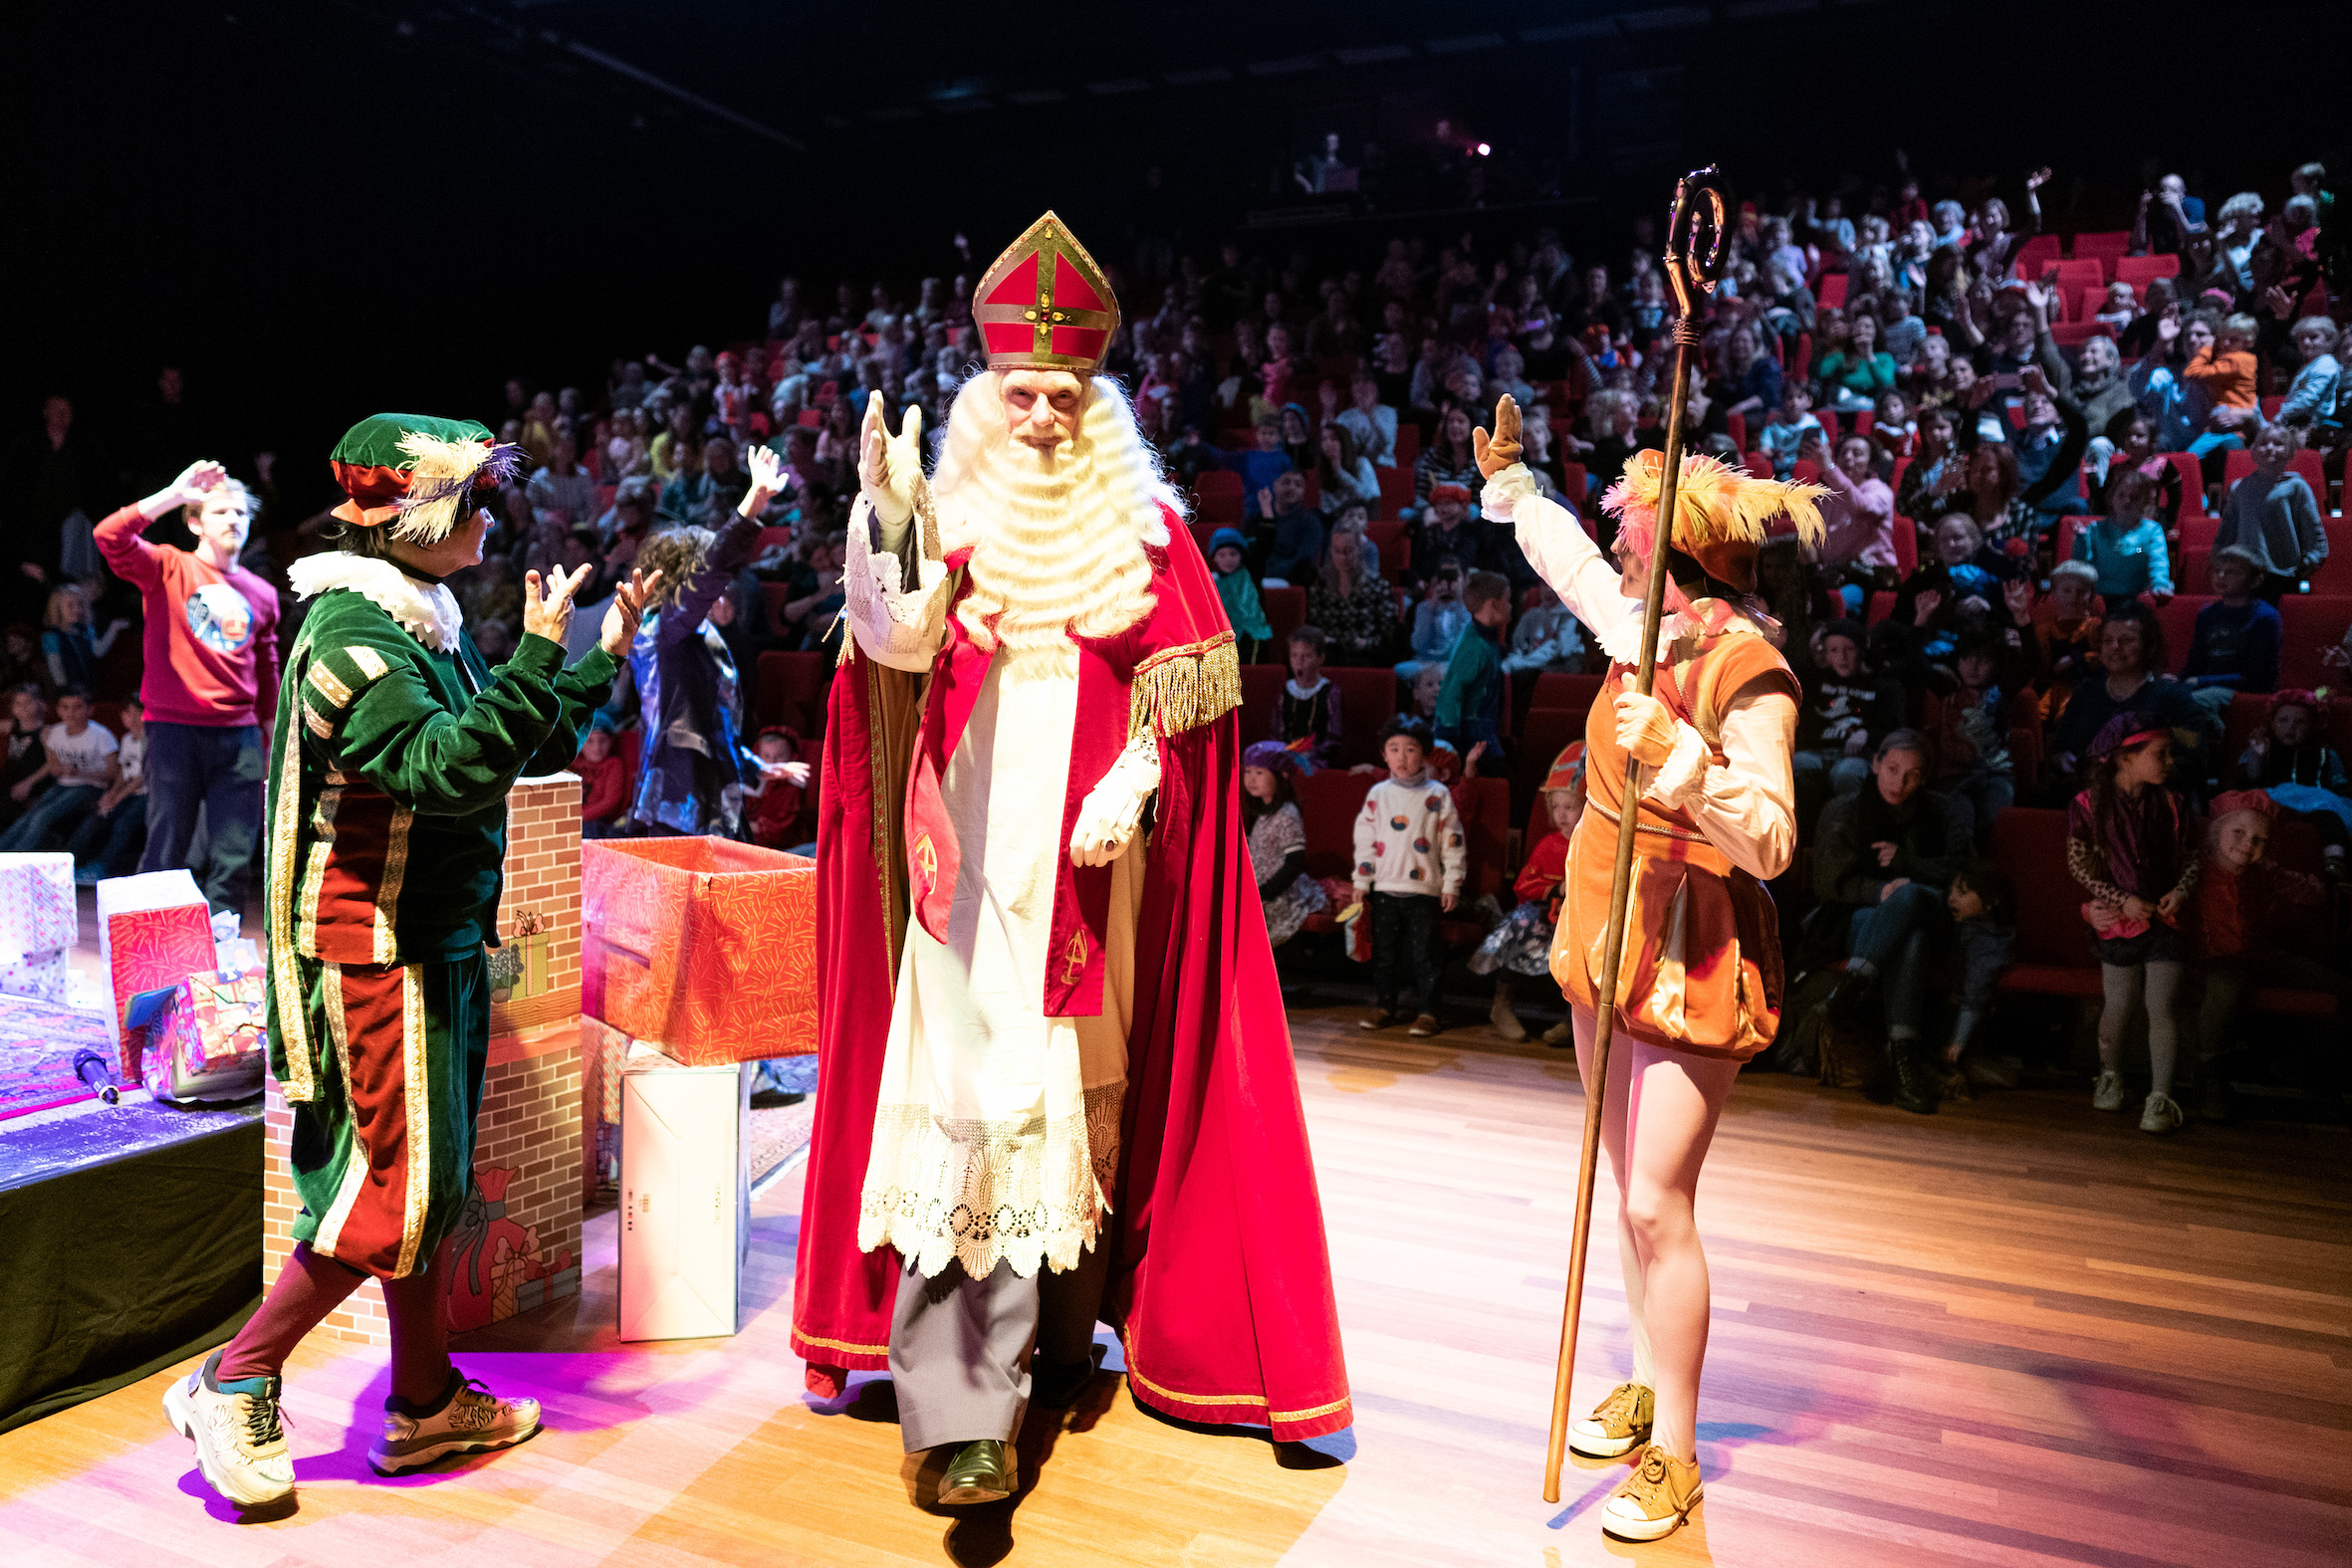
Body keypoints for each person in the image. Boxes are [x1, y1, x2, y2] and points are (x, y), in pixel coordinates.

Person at [798, 215, 1348, 1505]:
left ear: (1095, 395)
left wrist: (1141, 774)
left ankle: (1054, 1340)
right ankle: (958, 1411)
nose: (1041, 412)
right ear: (987, 391)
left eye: (1064, 393)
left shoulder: (1144, 532)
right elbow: (885, 651)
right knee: (972, 1105)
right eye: (1020, 391)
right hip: (967, 870)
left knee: (1079, 1112)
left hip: (1095, 879)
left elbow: (1191, 693)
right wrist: (879, 525)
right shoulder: (951, 517)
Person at [167, 413, 651, 1511]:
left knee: (422, 1186)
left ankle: (426, 1404)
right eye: (472, 505)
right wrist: (536, 657)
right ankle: (234, 1375)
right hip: (374, 952)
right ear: (416, 520)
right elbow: (448, 771)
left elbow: (503, 741)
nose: (489, 522)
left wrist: (594, 656)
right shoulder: (354, 638)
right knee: (394, 1190)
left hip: (427, 942)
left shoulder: (416, 619)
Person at [1479, 398, 1817, 1542]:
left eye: (1635, 538)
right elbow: (1570, 562)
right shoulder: (1635, 625)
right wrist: (1518, 492)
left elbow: (1768, 839)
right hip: (1602, 918)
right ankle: (1642, 1387)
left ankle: (1675, 1452)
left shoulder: (1744, 670)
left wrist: (1679, 761)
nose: (1617, 549)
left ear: (1682, 561)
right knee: (1617, 1190)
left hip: (1689, 935)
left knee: (1652, 1201)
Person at [94, 461, 281, 915]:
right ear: (195, 522)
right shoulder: (167, 567)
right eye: (219, 512)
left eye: (240, 512)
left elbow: (266, 669)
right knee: (166, 848)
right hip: (175, 729)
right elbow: (108, 536)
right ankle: (149, 954)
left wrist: (272, 735)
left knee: (234, 855)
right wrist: (175, 494)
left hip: (238, 736)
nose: (233, 519)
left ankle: (221, 952)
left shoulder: (262, 592)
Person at [626, 446, 788, 835]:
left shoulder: (695, 633)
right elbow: (712, 571)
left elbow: (711, 727)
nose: (723, 585)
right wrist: (752, 503)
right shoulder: (663, 628)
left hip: (708, 789)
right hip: (681, 798)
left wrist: (758, 765)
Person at [1816, 732, 1970, 1114]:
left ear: (1925, 778)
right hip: (1861, 918)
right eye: (1892, 769)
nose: (1899, 783)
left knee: (1911, 895)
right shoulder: (1844, 809)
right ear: (1875, 765)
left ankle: (1854, 986)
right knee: (1910, 936)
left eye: (1912, 775)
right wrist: (1878, 892)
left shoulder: (1943, 811)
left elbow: (1962, 874)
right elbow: (1828, 882)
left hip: (1936, 910)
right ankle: (1906, 1066)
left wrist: (1907, 864)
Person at [2192, 790, 2344, 1123]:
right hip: (2213, 959)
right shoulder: (2197, 869)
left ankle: (2300, 1066)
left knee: (2336, 988)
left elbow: (2312, 894)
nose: (2248, 845)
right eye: (2239, 833)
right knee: (2227, 987)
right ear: (2217, 830)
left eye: (2259, 840)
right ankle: (2209, 1076)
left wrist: (2316, 887)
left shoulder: (2264, 872)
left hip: (2261, 956)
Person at [1352, 716, 1464, 1036]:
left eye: (1411, 749)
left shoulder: (1438, 794)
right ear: (1384, 755)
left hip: (1423, 890)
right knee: (1385, 954)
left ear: (1424, 755)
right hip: (1386, 888)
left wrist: (1451, 884)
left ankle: (1429, 1011)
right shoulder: (1378, 794)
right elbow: (1366, 840)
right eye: (1394, 749)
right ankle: (1385, 1006)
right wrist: (1362, 881)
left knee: (1425, 956)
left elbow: (1452, 841)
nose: (1402, 757)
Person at [1470, 741, 1584, 1044]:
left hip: (1581, 917)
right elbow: (1525, 884)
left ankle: (1573, 1021)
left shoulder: (1597, 846)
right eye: (1556, 807)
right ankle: (1501, 1005)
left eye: (1570, 807)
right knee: (1521, 924)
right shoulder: (1549, 844)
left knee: (1580, 952)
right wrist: (1554, 889)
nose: (1562, 815)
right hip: (1547, 913)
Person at [2053, 602, 2204, 785]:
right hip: (2086, 793)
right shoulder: (2086, 692)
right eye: (2108, 640)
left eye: (2126, 640)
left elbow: (2194, 754)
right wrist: (2062, 757)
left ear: (2149, 647)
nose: (2115, 647)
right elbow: (2060, 745)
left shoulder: (2173, 699)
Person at [1793, 619, 1901, 821]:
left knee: (1847, 773)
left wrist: (1867, 734)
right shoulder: (1816, 679)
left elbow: (1895, 731)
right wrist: (1815, 651)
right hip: (1816, 753)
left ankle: (1844, 832)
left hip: (1855, 757)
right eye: (1833, 650)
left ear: (1860, 649)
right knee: (1795, 766)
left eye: (1848, 649)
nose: (1842, 657)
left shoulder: (1882, 684)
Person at [2214, 423, 2326, 601]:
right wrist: (2217, 556)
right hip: (2245, 572)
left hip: (2284, 573)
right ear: (2254, 450)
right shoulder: (2239, 487)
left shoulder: (2297, 487)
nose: (2270, 448)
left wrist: (2310, 561)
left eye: (2278, 443)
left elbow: (2314, 531)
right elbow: (2227, 530)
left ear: (2289, 451)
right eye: (2264, 443)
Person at [1241, 742, 1327, 967]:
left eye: (1259, 772)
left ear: (1282, 776)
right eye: (1248, 772)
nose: (1251, 778)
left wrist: (1267, 892)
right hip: (1261, 885)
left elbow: (1294, 861)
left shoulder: (1287, 814)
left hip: (1280, 890)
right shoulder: (1261, 813)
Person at [0, 686, 117, 852]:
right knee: (29, 817)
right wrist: (57, 767)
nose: (71, 713)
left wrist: (79, 773)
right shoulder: (56, 732)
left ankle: (15, 858)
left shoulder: (101, 735)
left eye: (77, 707)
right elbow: (54, 770)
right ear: (58, 710)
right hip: (62, 785)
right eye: (65, 707)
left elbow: (112, 775)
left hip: (89, 787)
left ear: (89, 709)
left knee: (42, 816)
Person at [1937, 862, 2015, 1093]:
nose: (1952, 898)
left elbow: (1975, 991)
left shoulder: (1987, 942)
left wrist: (1957, 1042)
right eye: (1951, 891)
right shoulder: (1966, 931)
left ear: (1991, 902)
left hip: (1961, 1018)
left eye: (1961, 893)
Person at [2181, 547, 2282, 717]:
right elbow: (2195, 663)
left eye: (2232, 572)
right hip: (2206, 687)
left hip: (2244, 691)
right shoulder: (2207, 614)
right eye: (2217, 571)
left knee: (2193, 703)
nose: (2221, 577)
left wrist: (2199, 681)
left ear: (2255, 580)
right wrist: (2178, 680)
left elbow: (2257, 677)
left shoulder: (2265, 617)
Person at [68, 692, 147, 881]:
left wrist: (116, 799)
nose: (132, 718)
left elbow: (141, 778)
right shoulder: (128, 739)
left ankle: (103, 868)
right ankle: (73, 863)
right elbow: (123, 771)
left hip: (146, 795)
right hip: (126, 793)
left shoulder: (152, 739)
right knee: (96, 817)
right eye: (128, 713)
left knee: (123, 822)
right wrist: (111, 794)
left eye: (137, 712)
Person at [1433, 569, 1510, 762]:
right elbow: (1452, 692)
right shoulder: (1474, 646)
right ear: (1493, 604)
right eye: (1507, 600)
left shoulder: (1487, 641)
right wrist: (1451, 742)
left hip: (1483, 734)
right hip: (1471, 740)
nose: (1510, 606)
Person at [2070, 467, 2174, 607]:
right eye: (2121, 495)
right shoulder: (2095, 529)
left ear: (2145, 503)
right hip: (2100, 600)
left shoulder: (2152, 530)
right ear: (2112, 498)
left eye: (2134, 497)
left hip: (2136, 600)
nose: (2127, 501)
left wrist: (2160, 585)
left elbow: (2158, 562)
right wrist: (2081, 539)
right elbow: (2082, 566)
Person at [1308, 519, 1398, 664]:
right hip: (1331, 655)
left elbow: (1389, 634)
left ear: (1360, 549)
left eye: (1348, 551)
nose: (1343, 557)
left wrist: (1367, 643)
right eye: (1337, 551)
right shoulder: (1320, 586)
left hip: (1367, 656)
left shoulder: (1379, 586)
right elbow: (1314, 628)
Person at [1273, 624, 1340, 770]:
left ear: (1320, 658)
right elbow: (1276, 730)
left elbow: (1333, 735)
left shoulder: (1329, 691)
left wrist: (1312, 752)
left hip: (1317, 759)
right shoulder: (1285, 690)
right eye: (1294, 655)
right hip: (1285, 755)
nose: (1299, 662)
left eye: (1307, 656)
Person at [40, 582, 126, 693]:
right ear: (58, 608)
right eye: (70, 605)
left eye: (80, 604)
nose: (77, 609)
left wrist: (113, 628)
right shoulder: (52, 636)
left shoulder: (86, 631)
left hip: (88, 687)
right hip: (68, 690)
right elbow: (56, 667)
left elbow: (98, 651)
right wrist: (65, 689)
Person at [1207, 526, 1273, 664]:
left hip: (1253, 636)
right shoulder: (1213, 584)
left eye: (1233, 554)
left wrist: (1267, 514)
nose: (1228, 559)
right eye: (1222, 555)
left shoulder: (1252, 574)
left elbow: (1265, 543)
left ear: (1241, 555)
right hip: (1227, 638)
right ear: (1215, 558)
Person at [742, 725, 812, 849]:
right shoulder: (751, 779)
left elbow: (781, 829)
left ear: (792, 757)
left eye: (779, 756)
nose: (772, 762)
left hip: (778, 848)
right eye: (766, 756)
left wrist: (746, 826)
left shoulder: (789, 787)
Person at [1503, 579, 1584, 675]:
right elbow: (1518, 645)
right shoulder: (1530, 615)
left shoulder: (1569, 617)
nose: (1549, 590)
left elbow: (1560, 651)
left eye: (1552, 586)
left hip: (1558, 669)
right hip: (1527, 666)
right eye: (1545, 585)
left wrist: (1521, 663)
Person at [1758, 380, 1823, 480]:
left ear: (1809, 401)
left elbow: (1823, 448)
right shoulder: (1773, 426)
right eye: (1789, 398)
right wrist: (1773, 453)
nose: (1794, 402)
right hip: (1780, 469)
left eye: (1799, 397)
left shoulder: (1813, 425)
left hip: (1805, 469)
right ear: (1782, 401)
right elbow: (1764, 448)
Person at [574, 722, 628, 838]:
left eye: (602, 740)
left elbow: (610, 801)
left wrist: (580, 816)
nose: (597, 747)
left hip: (595, 822)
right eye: (590, 741)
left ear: (611, 741)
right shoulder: (573, 762)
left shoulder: (613, 764)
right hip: (570, 816)